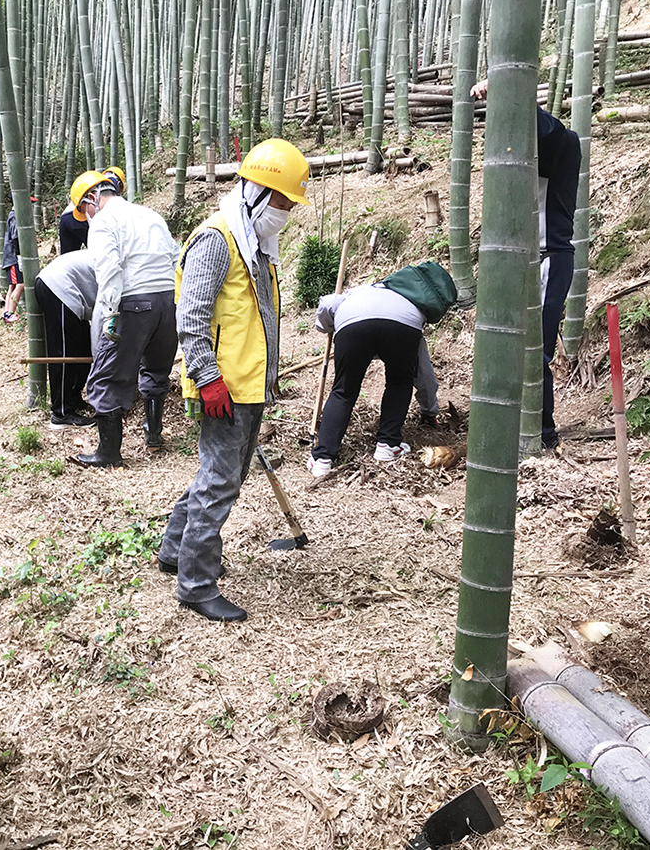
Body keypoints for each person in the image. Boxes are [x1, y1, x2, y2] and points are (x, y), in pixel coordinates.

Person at [157, 138, 310, 623]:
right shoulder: (217, 239)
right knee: (220, 481)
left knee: (222, 477)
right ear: (259, 193)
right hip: (223, 384)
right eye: (283, 203)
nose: (285, 213)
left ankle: (173, 549)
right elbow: (192, 315)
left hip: (247, 383)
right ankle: (196, 583)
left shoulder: (256, 245)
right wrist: (206, 377)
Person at [473, 81, 580, 449]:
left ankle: (542, 435)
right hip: (522, 262)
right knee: (510, 348)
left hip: (549, 259)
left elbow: (546, 129)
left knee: (537, 351)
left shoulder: (564, 143)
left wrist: (507, 92)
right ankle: (515, 425)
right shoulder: (526, 160)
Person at [307, 262, 457, 476]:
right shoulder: (410, 303)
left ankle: (322, 459)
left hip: (352, 323)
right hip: (403, 326)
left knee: (344, 391)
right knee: (400, 382)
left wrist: (325, 325)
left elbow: (326, 304)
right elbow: (423, 375)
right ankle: (388, 445)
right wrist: (429, 409)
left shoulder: (361, 290)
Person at [71, 171, 180, 464]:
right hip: (168, 300)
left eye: (84, 210)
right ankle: (153, 435)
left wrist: (108, 314)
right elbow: (175, 256)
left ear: (92, 198)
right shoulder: (150, 215)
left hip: (134, 303)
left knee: (108, 375)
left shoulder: (105, 222)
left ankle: (108, 452)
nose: (87, 216)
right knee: (157, 369)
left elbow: (109, 271)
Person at [35, 250, 98, 429]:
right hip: (58, 286)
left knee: (83, 348)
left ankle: (72, 397)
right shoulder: (117, 263)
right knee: (64, 351)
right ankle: (61, 412)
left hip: (71, 293)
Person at [1, 203, 28, 324]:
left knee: (12, 286)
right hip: (14, 256)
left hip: (11, 256)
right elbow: (16, 237)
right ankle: (9, 314)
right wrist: (21, 255)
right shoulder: (15, 217)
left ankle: (7, 313)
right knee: (20, 285)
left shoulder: (12, 216)